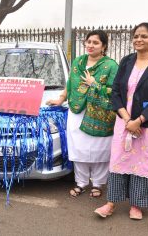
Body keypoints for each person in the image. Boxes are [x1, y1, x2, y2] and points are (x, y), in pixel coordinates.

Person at [94, 23, 148, 220]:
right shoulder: (127, 61)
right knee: (120, 160)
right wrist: (128, 119)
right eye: (136, 36)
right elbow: (117, 92)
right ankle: (111, 203)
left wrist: (140, 121)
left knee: (143, 164)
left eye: (144, 36)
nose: (138, 39)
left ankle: (136, 205)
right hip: (124, 121)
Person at [47, 30, 118, 198]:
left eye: (95, 42)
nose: (90, 45)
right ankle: (81, 182)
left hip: (100, 113)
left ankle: (99, 184)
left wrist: (94, 85)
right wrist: (61, 98)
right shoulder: (79, 62)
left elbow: (115, 91)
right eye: (88, 42)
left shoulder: (111, 65)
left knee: (100, 149)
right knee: (79, 149)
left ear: (104, 46)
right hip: (77, 111)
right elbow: (70, 83)